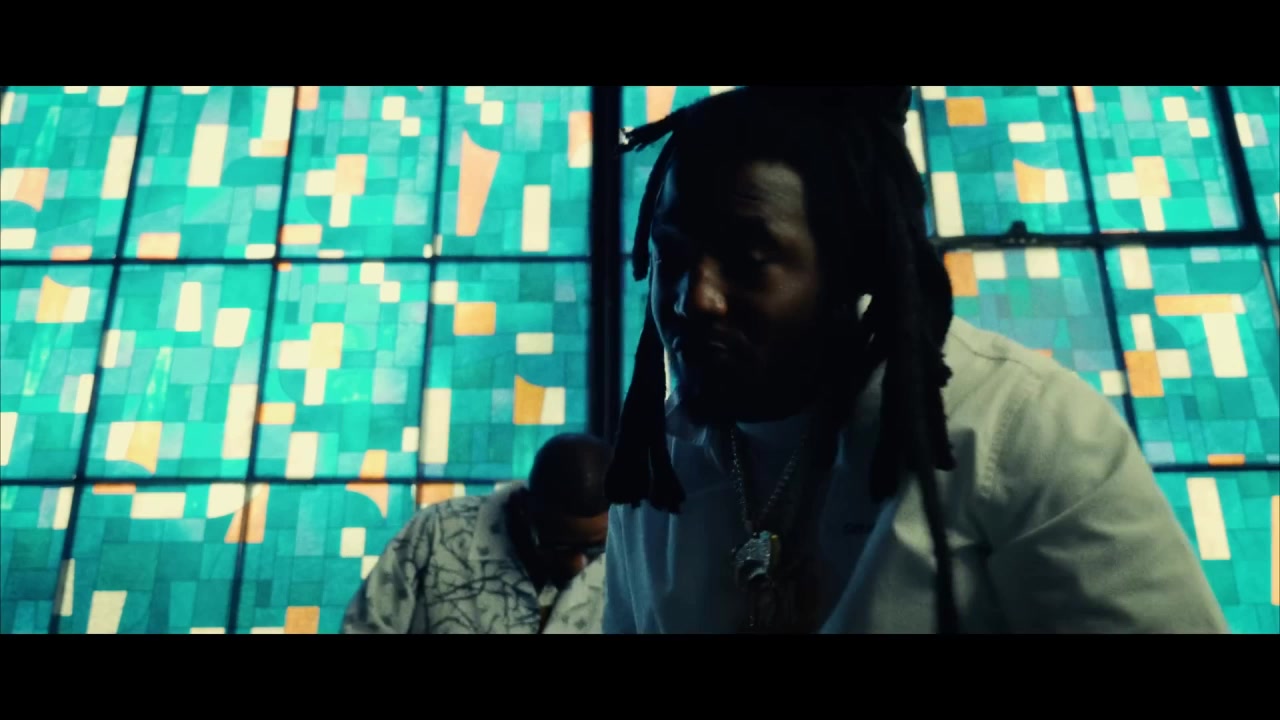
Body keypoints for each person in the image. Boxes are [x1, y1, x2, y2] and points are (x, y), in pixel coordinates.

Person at [602, 86, 1228, 634]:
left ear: (850, 264)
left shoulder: (1021, 431)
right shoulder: (657, 468)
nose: (695, 298)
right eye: (671, 254)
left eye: (749, 259)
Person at [342, 433, 612, 633]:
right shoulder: (438, 532)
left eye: (595, 549)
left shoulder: (625, 560)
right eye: (559, 547)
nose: (578, 566)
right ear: (525, 509)